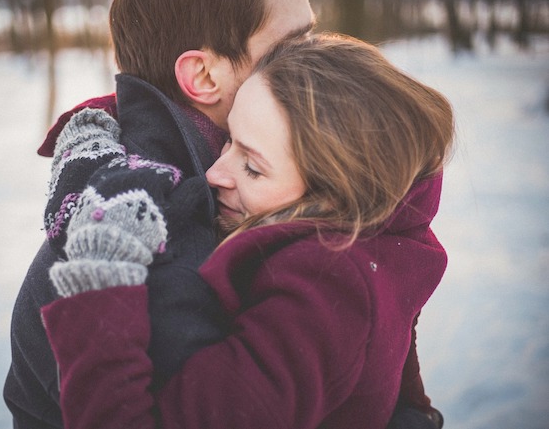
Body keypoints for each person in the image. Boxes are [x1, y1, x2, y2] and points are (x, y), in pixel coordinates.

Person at [40, 33, 454, 428]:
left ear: (334, 196)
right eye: (228, 140)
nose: (215, 173)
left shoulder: (322, 295)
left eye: (253, 167)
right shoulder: (385, 239)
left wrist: (101, 279)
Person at [4, 0, 317, 427]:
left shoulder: (232, 185)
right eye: (293, 46)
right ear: (203, 76)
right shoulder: (159, 244)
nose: (320, 59)